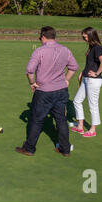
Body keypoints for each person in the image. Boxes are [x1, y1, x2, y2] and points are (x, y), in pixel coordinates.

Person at [16, 26, 78, 157]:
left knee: (36, 120)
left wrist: (32, 83)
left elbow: (29, 71)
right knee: (61, 120)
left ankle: (29, 148)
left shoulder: (39, 51)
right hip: (61, 91)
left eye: (40, 38)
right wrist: (66, 79)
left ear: (43, 37)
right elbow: (74, 67)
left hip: (44, 92)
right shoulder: (65, 50)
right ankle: (65, 149)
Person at [72, 27, 102, 138]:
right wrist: (82, 72)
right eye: (83, 37)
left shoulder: (98, 48)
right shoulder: (91, 47)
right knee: (77, 101)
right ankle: (80, 126)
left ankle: (93, 130)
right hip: (86, 79)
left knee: (93, 105)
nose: (84, 39)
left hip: (93, 81)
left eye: (85, 37)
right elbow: (91, 64)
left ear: (91, 36)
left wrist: (96, 73)